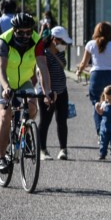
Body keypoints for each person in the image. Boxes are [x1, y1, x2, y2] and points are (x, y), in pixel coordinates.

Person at [0, 12, 53, 173]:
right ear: (14, 30)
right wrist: (6, 87)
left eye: (28, 31)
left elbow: (42, 67)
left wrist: (47, 91)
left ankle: (25, 132)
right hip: (3, 79)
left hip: (24, 80)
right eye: (21, 32)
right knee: (5, 115)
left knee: (33, 108)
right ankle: (1, 158)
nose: (25, 35)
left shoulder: (36, 40)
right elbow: (1, 68)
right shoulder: (4, 40)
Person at [75, 21, 111, 137]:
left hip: (96, 77)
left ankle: (100, 134)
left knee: (97, 105)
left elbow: (84, 62)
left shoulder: (90, 44)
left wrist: (79, 71)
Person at [37, 26, 73, 160]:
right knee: (45, 121)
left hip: (62, 91)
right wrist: (48, 92)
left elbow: (63, 65)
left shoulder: (59, 52)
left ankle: (63, 149)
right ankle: (42, 150)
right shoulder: (42, 53)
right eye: (62, 42)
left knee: (62, 121)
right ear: (54, 39)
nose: (64, 45)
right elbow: (41, 73)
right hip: (47, 93)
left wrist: (55, 53)